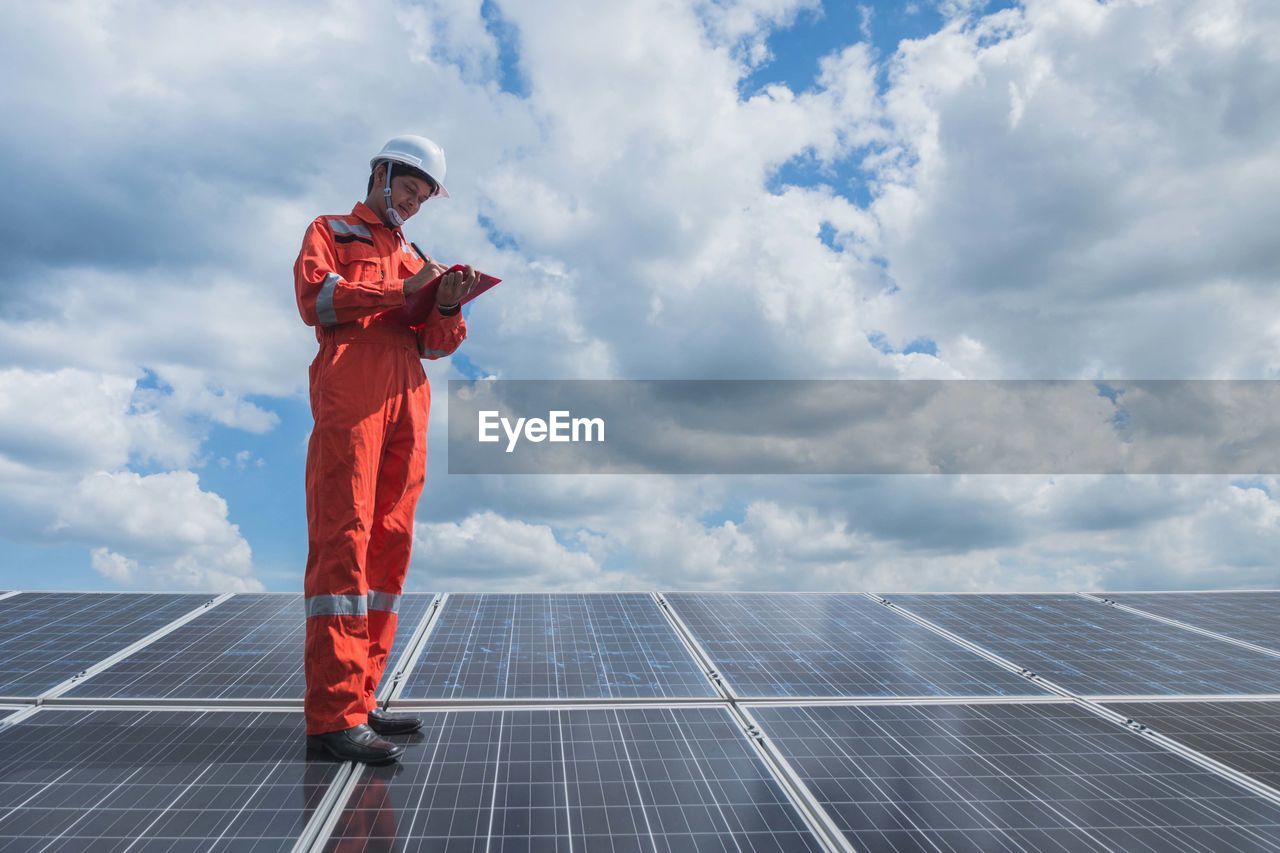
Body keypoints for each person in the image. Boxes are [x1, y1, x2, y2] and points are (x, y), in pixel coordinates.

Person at [293, 135, 477, 763]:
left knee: (389, 547)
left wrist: (446, 304)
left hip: (408, 393)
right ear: (381, 172)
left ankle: (362, 698)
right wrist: (401, 293)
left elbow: (436, 344)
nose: (415, 202)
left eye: (424, 196)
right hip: (354, 387)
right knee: (345, 541)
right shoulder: (332, 230)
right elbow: (316, 299)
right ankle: (333, 717)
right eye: (409, 187)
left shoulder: (417, 254)